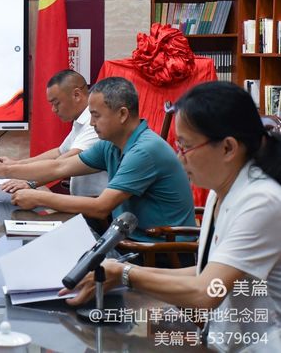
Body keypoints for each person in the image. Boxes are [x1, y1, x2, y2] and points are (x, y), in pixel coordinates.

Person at [63, 81, 281, 345]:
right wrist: (122, 271)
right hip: (221, 340)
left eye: (185, 147)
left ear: (228, 148)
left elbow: (206, 292)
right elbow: (204, 272)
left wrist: (125, 274)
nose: (179, 158)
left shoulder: (261, 201)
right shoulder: (222, 191)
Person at [0, 77, 195, 246]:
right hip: (126, 238)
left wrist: (39, 197)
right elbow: (60, 166)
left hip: (159, 252)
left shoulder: (144, 150)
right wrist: (6, 170)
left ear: (122, 114)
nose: (92, 123)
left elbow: (101, 207)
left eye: (96, 116)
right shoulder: (111, 144)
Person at [0, 69, 108, 197]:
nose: (53, 110)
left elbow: (61, 165)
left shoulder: (94, 125)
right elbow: (59, 153)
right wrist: (14, 164)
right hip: (83, 199)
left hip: (96, 200)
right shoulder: (81, 120)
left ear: (77, 95)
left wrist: (10, 172)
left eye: (56, 103)